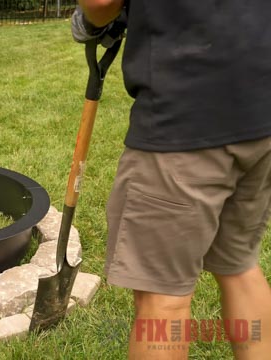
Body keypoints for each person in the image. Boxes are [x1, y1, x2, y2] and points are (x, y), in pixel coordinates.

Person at [71, 1, 271, 359]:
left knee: (162, 299)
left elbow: (101, 3)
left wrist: (92, 18)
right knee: (239, 266)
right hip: (262, 105)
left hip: (187, 111)